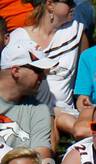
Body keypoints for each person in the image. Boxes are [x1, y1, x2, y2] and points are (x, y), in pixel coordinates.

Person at [13, 0, 86, 141]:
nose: (74, 6)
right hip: (29, 107)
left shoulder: (76, 31)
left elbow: (85, 70)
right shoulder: (18, 37)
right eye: (68, 2)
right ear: (50, 4)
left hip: (64, 110)